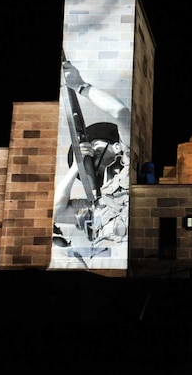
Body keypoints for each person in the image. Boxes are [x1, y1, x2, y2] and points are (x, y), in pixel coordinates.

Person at [52, 60, 131, 266]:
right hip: (101, 266)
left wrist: (80, 86)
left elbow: (121, 114)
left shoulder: (129, 165)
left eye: (95, 145)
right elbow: (55, 211)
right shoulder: (94, 202)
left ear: (114, 146)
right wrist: (75, 168)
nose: (89, 150)